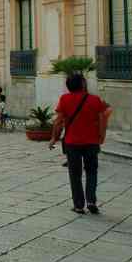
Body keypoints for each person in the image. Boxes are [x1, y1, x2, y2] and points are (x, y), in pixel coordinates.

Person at [49, 73, 108, 215]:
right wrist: (101, 137)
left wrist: (53, 138)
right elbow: (102, 120)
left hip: (72, 142)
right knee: (92, 172)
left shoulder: (65, 99)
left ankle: (79, 205)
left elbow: (58, 122)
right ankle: (91, 201)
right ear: (83, 84)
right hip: (91, 142)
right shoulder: (95, 100)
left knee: (75, 174)